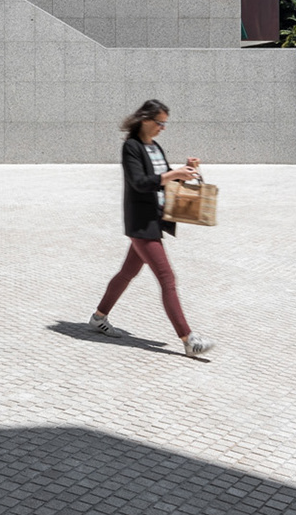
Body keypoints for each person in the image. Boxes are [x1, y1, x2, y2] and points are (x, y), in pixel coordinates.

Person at [88, 98, 215, 357]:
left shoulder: (155, 147)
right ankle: (188, 339)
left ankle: (98, 317)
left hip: (155, 220)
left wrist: (187, 169)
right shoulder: (131, 147)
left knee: (126, 273)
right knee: (167, 278)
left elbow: (164, 177)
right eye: (159, 122)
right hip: (141, 223)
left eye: (165, 124)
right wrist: (172, 174)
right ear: (145, 120)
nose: (162, 128)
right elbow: (140, 182)